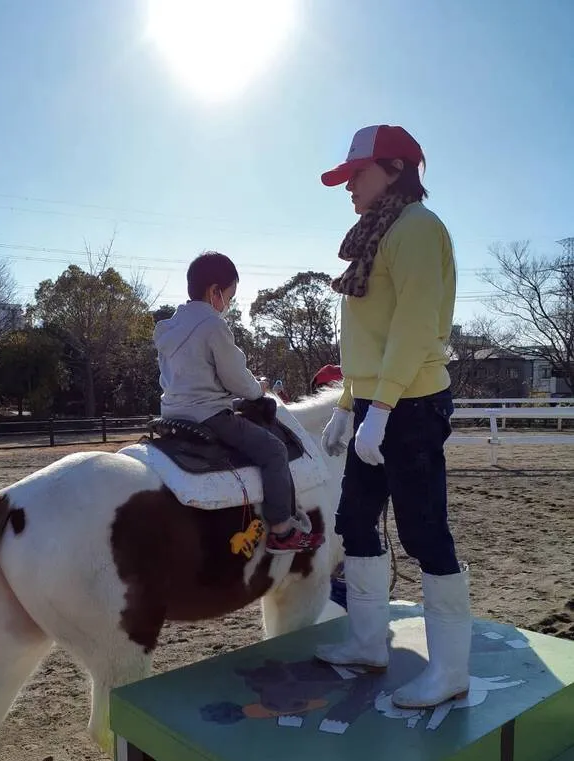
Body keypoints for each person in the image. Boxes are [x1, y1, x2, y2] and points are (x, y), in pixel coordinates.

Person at [313, 124, 471, 710]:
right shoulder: (378, 234)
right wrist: (350, 405)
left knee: (424, 530)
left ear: (397, 168)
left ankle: (450, 669)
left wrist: (379, 408)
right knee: (355, 520)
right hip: (377, 406)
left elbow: (413, 328)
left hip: (412, 404)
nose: (349, 186)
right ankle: (366, 642)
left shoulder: (419, 230)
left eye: (358, 174)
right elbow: (370, 337)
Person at [153, 251, 324, 554]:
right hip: (208, 414)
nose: (228, 305)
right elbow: (236, 380)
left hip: (171, 412)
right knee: (274, 450)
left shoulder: (168, 327)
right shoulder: (213, 326)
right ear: (215, 292)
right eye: (229, 297)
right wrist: (258, 388)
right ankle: (282, 531)